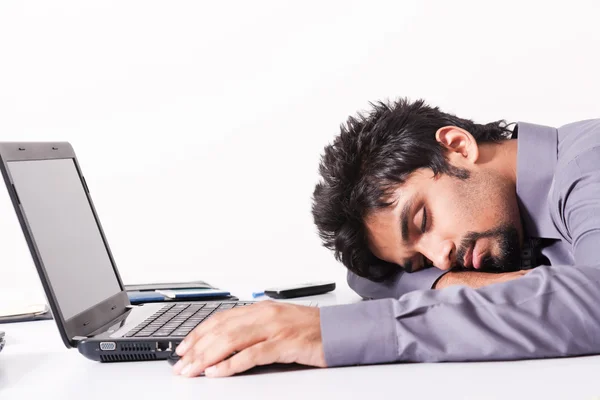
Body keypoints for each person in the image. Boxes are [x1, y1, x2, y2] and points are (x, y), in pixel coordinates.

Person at [172, 98, 600, 378]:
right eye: (416, 262)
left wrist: (332, 332)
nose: (440, 256)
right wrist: (448, 282)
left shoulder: (589, 164)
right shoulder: (484, 233)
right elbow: (368, 278)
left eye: (422, 220)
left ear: (457, 146)